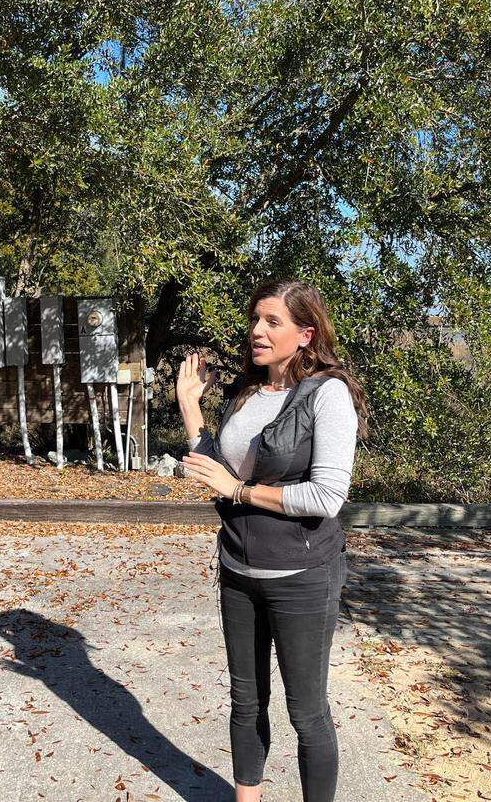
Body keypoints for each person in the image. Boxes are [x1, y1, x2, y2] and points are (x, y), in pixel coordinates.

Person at [176, 278, 368, 802]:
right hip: (239, 567)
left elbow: (327, 496)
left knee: (307, 713)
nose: (257, 331)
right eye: (256, 320)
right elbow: (217, 476)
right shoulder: (246, 393)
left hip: (301, 575)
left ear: (305, 334)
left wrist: (240, 489)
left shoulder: (328, 395)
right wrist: (190, 406)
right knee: (245, 701)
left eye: (272, 322)